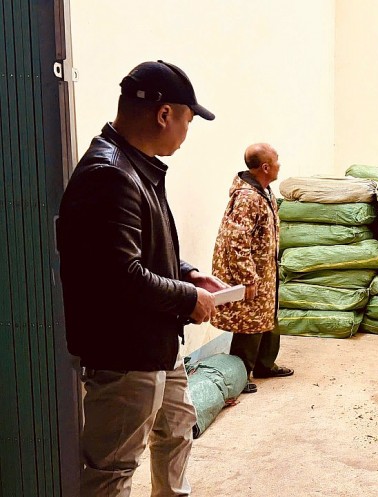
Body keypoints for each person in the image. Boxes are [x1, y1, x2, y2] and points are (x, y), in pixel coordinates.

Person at [58, 60, 222, 496]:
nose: (186, 133)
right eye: (187, 121)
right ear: (164, 114)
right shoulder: (110, 174)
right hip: (126, 353)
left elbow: (140, 248)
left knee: (177, 430)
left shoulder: (137, 166)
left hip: (157, 343)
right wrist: (187, 298)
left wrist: (188, 274)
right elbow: (120, 276)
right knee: (113, 468)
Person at [211, 143, 292, 393]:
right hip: (251, 272)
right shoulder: (247, 198)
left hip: (265, 270)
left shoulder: (264, 192)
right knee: (249, 323)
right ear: (265, 167)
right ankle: (240, 375)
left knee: (267, 316)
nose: (280, 164)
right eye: (277, 161)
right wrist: (247, 277)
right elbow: (236, 241)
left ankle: (265, 365)